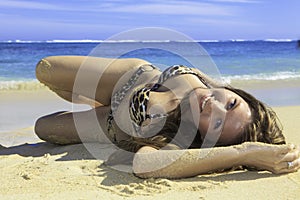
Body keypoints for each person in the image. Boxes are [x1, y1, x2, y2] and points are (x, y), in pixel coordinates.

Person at [34, 56, 300, 178]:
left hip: (111, 125)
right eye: (231, 103)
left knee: (42, 127)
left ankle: (91, 104)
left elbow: (145, 165)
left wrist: (244, 152)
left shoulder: (178, 138)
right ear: (236, 93)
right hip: (128, 78)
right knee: (45, 69)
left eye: (217, 123)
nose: (213, 105)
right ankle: (84, 97)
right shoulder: (207, 84)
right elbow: (211, 85)